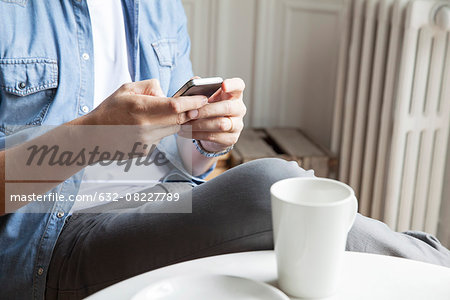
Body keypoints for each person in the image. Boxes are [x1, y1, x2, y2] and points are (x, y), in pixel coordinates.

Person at [0, 1, 448, 299]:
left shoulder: (157, 7)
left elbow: (178, 163)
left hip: (158, 203)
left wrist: (204, 140)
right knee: (273, 190)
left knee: (290, 224)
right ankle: (434, 262)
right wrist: (94, 135)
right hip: (48, 243)